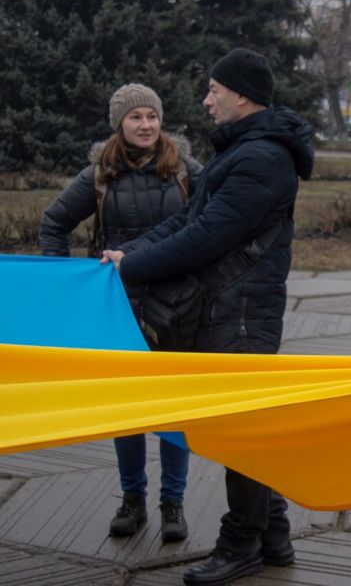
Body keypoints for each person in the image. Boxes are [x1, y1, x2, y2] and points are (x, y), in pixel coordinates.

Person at [101, 48, 314, 586]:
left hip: (241, 314)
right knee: (247, 430)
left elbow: (205, 238)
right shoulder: (243, 152)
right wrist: (127, 254)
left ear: (241, 94)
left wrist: (135, 267)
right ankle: (274, 536)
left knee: (240, 433)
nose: (207, 99)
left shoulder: (262, 158)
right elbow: (187, 222)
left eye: (214, 89)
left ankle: (239, 545)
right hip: (227, 310)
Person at [40, 83, 201, 544]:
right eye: (135, 118)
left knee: (173, 408)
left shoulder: (187, 171)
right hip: (120, 305)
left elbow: (212, 222)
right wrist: (65, 284)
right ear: (120, 124)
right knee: (127, 408)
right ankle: (132, 499)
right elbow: (54, 222)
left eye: (152, 116)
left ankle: (173, 503)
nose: (146, 125)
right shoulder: (99, 174)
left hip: (179, 304)